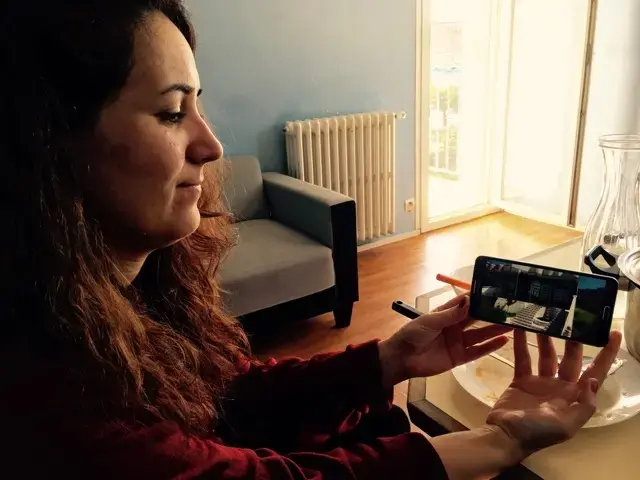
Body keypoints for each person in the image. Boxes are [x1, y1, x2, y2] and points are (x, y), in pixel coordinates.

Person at [0, 1, 621, 479]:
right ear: (47, 145)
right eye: (170, 112)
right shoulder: (48, 397)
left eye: (198, 107)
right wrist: (500, 442)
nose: (211, 145)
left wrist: (389, 359)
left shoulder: (123, 304)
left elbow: (224, 393)